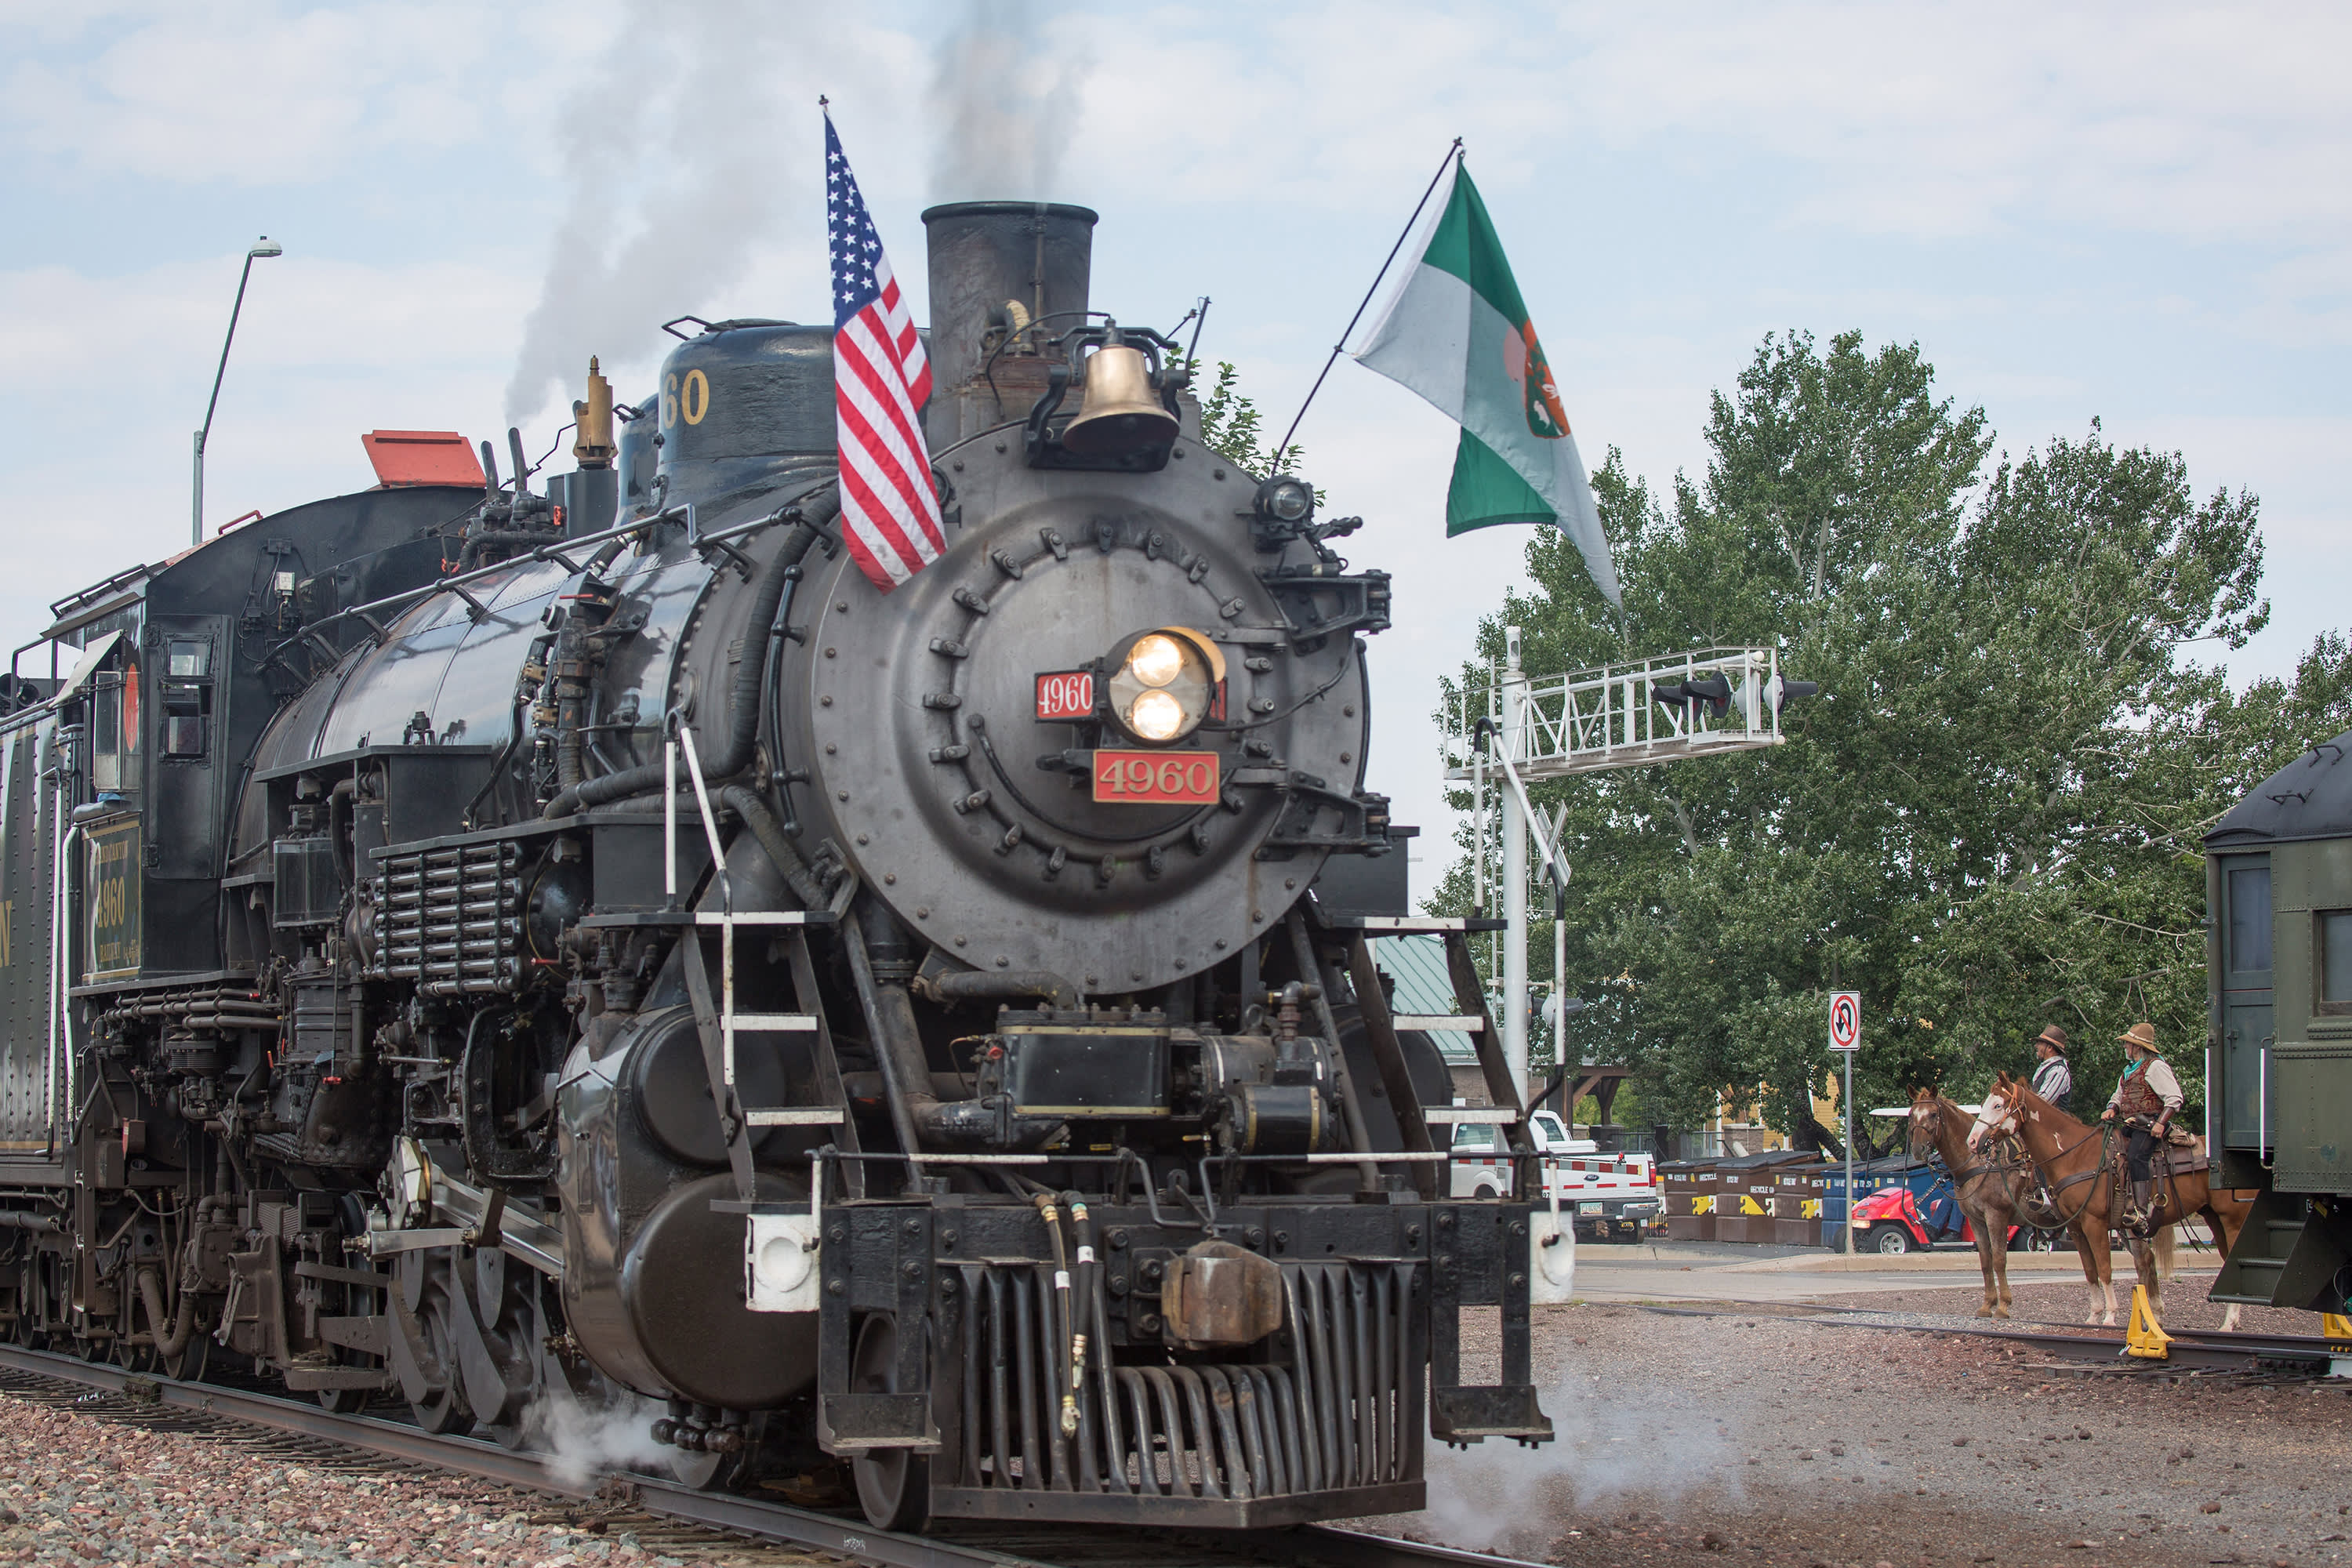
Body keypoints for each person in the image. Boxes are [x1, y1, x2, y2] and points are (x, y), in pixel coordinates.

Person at [2100, 1021, 2183, 1234]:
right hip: (2131, 1124)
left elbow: (2174, 1097)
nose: (2125, 1048)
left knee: (2137, 1156)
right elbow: (2118, 1096)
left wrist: (2161, 1123)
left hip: (2150, 1125)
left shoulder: (2156, 1067)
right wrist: (2112, 1108)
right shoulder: (2128, 1070)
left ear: (2137, 1047)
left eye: (2128, 1044)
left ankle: (2141, 1210)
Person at [2029, 1025, 2072, 1113]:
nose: (2036, 1046)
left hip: (2054, 1126)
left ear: (2049, 1048)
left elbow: (2042, 1102)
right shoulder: (2048, 1068)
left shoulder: (2059, 1070)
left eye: (2040, 1043)